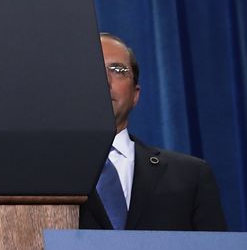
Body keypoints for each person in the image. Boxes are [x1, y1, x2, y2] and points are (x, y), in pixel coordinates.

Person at [79, 33, 228, 231]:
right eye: (93, 67)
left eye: (117, 69)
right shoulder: (45, 171)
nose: (105, 80)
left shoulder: (191, 176)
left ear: (135, 94)